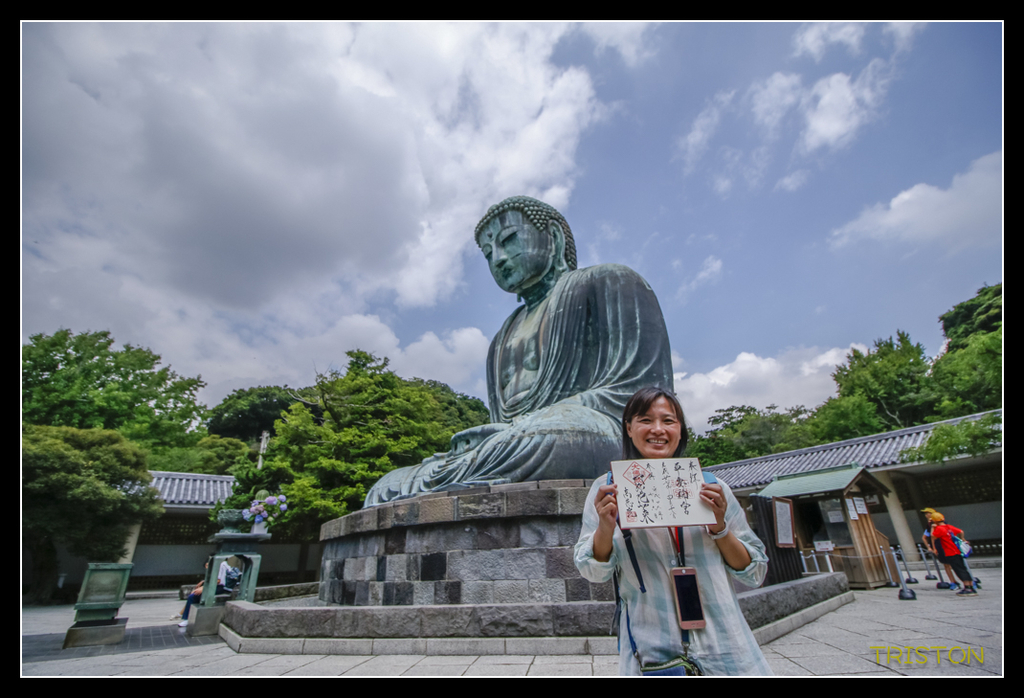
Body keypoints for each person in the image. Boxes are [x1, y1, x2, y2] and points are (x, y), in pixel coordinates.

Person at [366, 197, 673, 505]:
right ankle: (462, 472)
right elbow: (504, 424)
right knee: (387, 484)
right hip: (515, 442)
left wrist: (540, 421)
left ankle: (466, 472)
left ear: (552, 237)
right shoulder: (501, 338)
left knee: (551, 439)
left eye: (509, 239)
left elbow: (642, 396)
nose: (498, 258)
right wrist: (499, 435)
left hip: (591, 436)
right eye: (488, 254)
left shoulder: (609, 282)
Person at [574, 386, 772, 675]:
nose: (658, 429)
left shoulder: (712, 487)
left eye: (668, 421)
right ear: (628, 428)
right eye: (645, 420)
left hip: (726, 645)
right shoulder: (607, 489)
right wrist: (606, 526)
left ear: (681, 430)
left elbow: (754, 571)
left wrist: (719, 527)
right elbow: (593, 571)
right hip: (652, 647)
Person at [929, 513, 977, 597]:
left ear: (934, 521)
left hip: (950, 552)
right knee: (963, 568)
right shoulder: (949, 527)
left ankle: (967, 587)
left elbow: (933, 536)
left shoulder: (939, 529)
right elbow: (961, 531)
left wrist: (933, 528)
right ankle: (971, 586)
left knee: (958, 570)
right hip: (958, 551)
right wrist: (962, 538)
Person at [921, 507, 958, 589]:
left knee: (953, 564)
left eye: (928, 513)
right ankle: (953, 581)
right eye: (926, 514)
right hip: (940, 546)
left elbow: (933, 536)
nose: (926, 515)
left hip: (946, 545)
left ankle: (964, 582)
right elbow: (926, 537)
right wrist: (930, 547)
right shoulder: (930, 525)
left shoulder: (940, 524)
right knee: (947, 564)